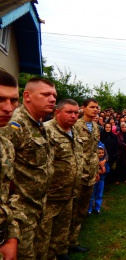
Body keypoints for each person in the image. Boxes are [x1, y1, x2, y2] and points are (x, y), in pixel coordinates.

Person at [0, 77, 57, 259]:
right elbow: (6, 177)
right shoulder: (14, 125)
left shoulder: (40, 124)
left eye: (54, 95)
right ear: (28, 96)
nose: (52, 99)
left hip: (37, 206)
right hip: (20, 213)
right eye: (46, 94)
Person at [37, 99, 83, 260]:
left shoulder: (73, 130)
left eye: (76, 113)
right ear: (57, 112)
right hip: (51, 195)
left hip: (69, 192)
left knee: (63, 228)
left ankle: (61, 252)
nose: (73, 116)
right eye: (69, 112)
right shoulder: (46, 130)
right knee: (44, 234)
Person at [68, 98, 100, 254]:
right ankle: (62, 245)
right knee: (70, 210)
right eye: (92, 107)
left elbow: (94, 152)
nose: (95, 110)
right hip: (77, 176)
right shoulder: (75, 126)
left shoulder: (95, 127)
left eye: (97, 107)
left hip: (90, 175)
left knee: (81, 210)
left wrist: (97, 171)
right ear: (83, 108)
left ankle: (73, 241)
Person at [0, 70, 21, 259]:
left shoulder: (5, 144)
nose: (8, 108)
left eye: (13, 100)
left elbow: (9, 193)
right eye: (0, 99)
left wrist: (12, 237)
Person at [88, 143, 107, 214]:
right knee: (92, 194)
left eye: (102, 153)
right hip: (94, 180)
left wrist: (103, 170)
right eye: (99, 153)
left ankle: (97, 208)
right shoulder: (93, 161)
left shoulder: (103, 162)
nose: (101, 154)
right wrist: (98, 171)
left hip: (101, 180)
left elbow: (107, 170)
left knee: (99, 194)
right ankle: (89, 209)